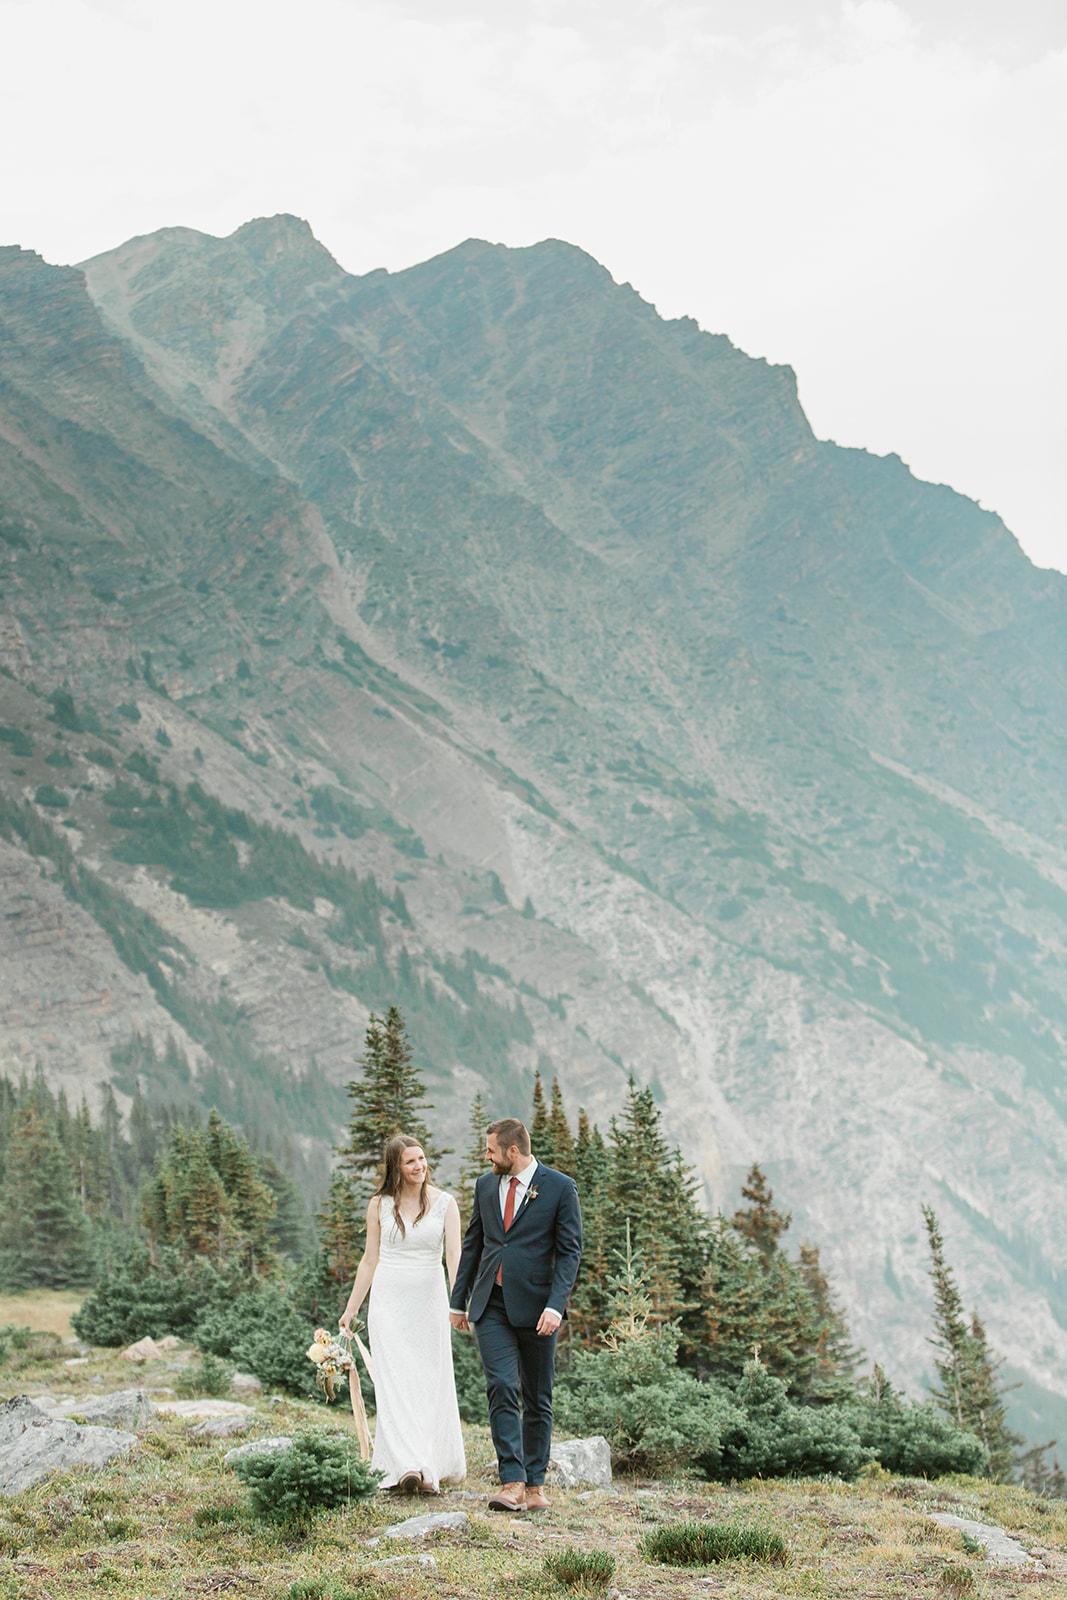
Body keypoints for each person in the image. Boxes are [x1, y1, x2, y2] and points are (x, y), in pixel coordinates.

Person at [449, 1117, 582, 1513]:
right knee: (501, 1387)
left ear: (512, 1151)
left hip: (540, 1308)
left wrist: (556, 1305)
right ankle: (511, 1481)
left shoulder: (559, 1187)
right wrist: (459, 1301)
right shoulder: (486, 1185)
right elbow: (475, 1243)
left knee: (537, 1397)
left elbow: (570, 1251)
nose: (485, 1156)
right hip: (491, 1303)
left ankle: (536, 1485)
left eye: (490, 1149)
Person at [339, 1134, 466, 1494]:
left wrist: (459, 1304)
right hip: (388, 1304)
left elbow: (454, 1260)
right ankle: (406, 1466)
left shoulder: (446, 1204)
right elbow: (369, 1260)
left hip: (429, 1302)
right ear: (396, 1166)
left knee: (427, 1381)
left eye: (422, 1159)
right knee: (394, 1382)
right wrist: (351, 1310)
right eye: (411, 1161)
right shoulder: (379, 1204)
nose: (419, 1166)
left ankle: (427, 1464)